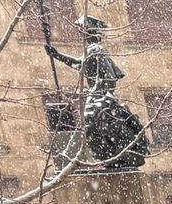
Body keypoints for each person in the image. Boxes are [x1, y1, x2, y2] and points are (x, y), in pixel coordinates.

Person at [44, 17, 148, 170]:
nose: (80, 35)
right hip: (99, 93)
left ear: (88, 32)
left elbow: (104, 75)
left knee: (93, 121)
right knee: (94, 123)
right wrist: (57, 55)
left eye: (82, 31)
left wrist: (100, 93)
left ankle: (115, 153)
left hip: (100, 93)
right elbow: (81, 64)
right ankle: (113, 154)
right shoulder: (94, 49)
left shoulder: (96, 50)